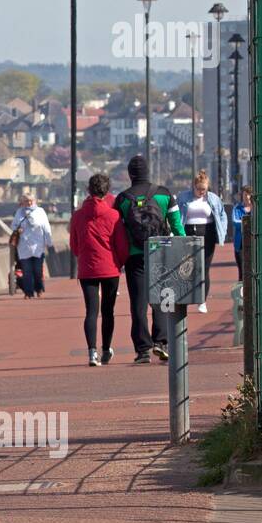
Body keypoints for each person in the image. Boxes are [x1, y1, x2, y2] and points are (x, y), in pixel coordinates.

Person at [114, 154, 185, 364]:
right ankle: (161, 342)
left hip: (135, 257)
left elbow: (118, 232)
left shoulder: (123, 199)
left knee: (138, 303)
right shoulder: (164, 195)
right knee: (162, 299)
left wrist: (120, 258)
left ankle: (142, 349)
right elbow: (176, 225)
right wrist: (182, 249)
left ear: (130, 174)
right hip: (161, 252)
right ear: (148, 171)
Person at [70, 173, 129, 367]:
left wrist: (84, 256)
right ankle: (106, 349)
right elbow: (121, 245)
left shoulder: (78, 216)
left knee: (91, 311)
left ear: (89, 190)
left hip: (87, 269)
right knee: (108, 311)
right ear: (107, 191)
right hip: (110, 268)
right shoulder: (113, 215)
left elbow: (74, 245)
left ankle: (91, 353)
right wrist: (119, 263)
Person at [177, 170, 229, 313]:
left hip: (207, 234)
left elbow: (222, 215)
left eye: (204, 189)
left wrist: (222, 232)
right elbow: (176, 214)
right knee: (187, 268)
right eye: (198, 189)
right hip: (187, 234)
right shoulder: (183, 197)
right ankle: (186, 298)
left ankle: (202, 301)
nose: (201, 192)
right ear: (193, 186)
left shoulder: (213, 198)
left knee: (204, 268)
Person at [11, 193, 53, 300]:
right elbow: (13, 225)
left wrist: (49, 243)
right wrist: (17, 230)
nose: (29, 203)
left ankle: (39, 289)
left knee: (37, 270)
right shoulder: (19, 212)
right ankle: (28, 293)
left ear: (34, 201)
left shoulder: (40, 211)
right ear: (22, 202)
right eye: (26, 201)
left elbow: (46, 228)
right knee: (27, 271)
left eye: (31, 201)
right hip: (24, 246)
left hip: (38, 246)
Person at [232, 186, 253, 281]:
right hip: (240, 244)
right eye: (245, 194)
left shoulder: (257, 208)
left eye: (249, 194)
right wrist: (249, 222)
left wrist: (244, 222)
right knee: (242, 270)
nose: (247, 197)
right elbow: (235, 222)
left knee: (253, 269)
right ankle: (242, 294)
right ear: (242, 195)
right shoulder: (237, 208)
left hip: (254, 242)